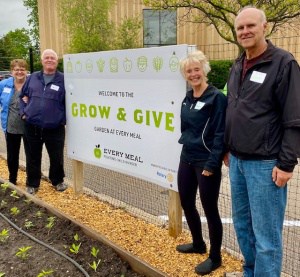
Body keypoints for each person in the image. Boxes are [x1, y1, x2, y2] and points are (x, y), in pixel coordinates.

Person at [224, 6, 300, 277]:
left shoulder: (283, 63)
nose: (245, 31)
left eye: (250, 26)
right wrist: (226, 148)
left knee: (267, 238)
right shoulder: (237, 65)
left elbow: (294, 118)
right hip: (237, 162)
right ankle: (251, 272)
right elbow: (232, 109)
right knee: (243, 226)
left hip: (265, 165)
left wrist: (287, 163)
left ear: (264, 27)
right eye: (240, 28)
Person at [176, 50, 227, 275]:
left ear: (204, 70)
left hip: (206, 161)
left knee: (210, 209)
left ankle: (215, 257)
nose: (193, 74)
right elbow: (185, 128)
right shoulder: (187, 98)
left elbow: (220, 133)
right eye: (189, 71)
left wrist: (212, 163)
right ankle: (198, 243)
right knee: (186, 202)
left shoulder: (216, 98)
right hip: (187, 156)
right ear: (185, 75)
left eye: (197, 69)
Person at [20, 49, 68, 194]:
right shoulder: (33, 77)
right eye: (46, 58)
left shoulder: (64, 79)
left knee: (56, 156)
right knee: (33, 156)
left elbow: (70, 102)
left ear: (57, 61)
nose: (49, 60)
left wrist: (63, 119)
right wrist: (23, 113)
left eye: (52, 58)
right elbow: (22, 96)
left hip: (55, 127)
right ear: (41, 61)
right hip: (32, 125)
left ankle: (57, 181)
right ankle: (32, 183)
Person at [0, 59, 29, 185]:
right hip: (11, 126)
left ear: (26, 71)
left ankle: (31, 181)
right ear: (12, 71)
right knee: (12, 155)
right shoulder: (4, 84)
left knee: (31, 154)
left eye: (22, 69)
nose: (19, 72)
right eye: (16, 69)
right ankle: (12, 180)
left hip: (29, 126)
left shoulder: (32, 84)